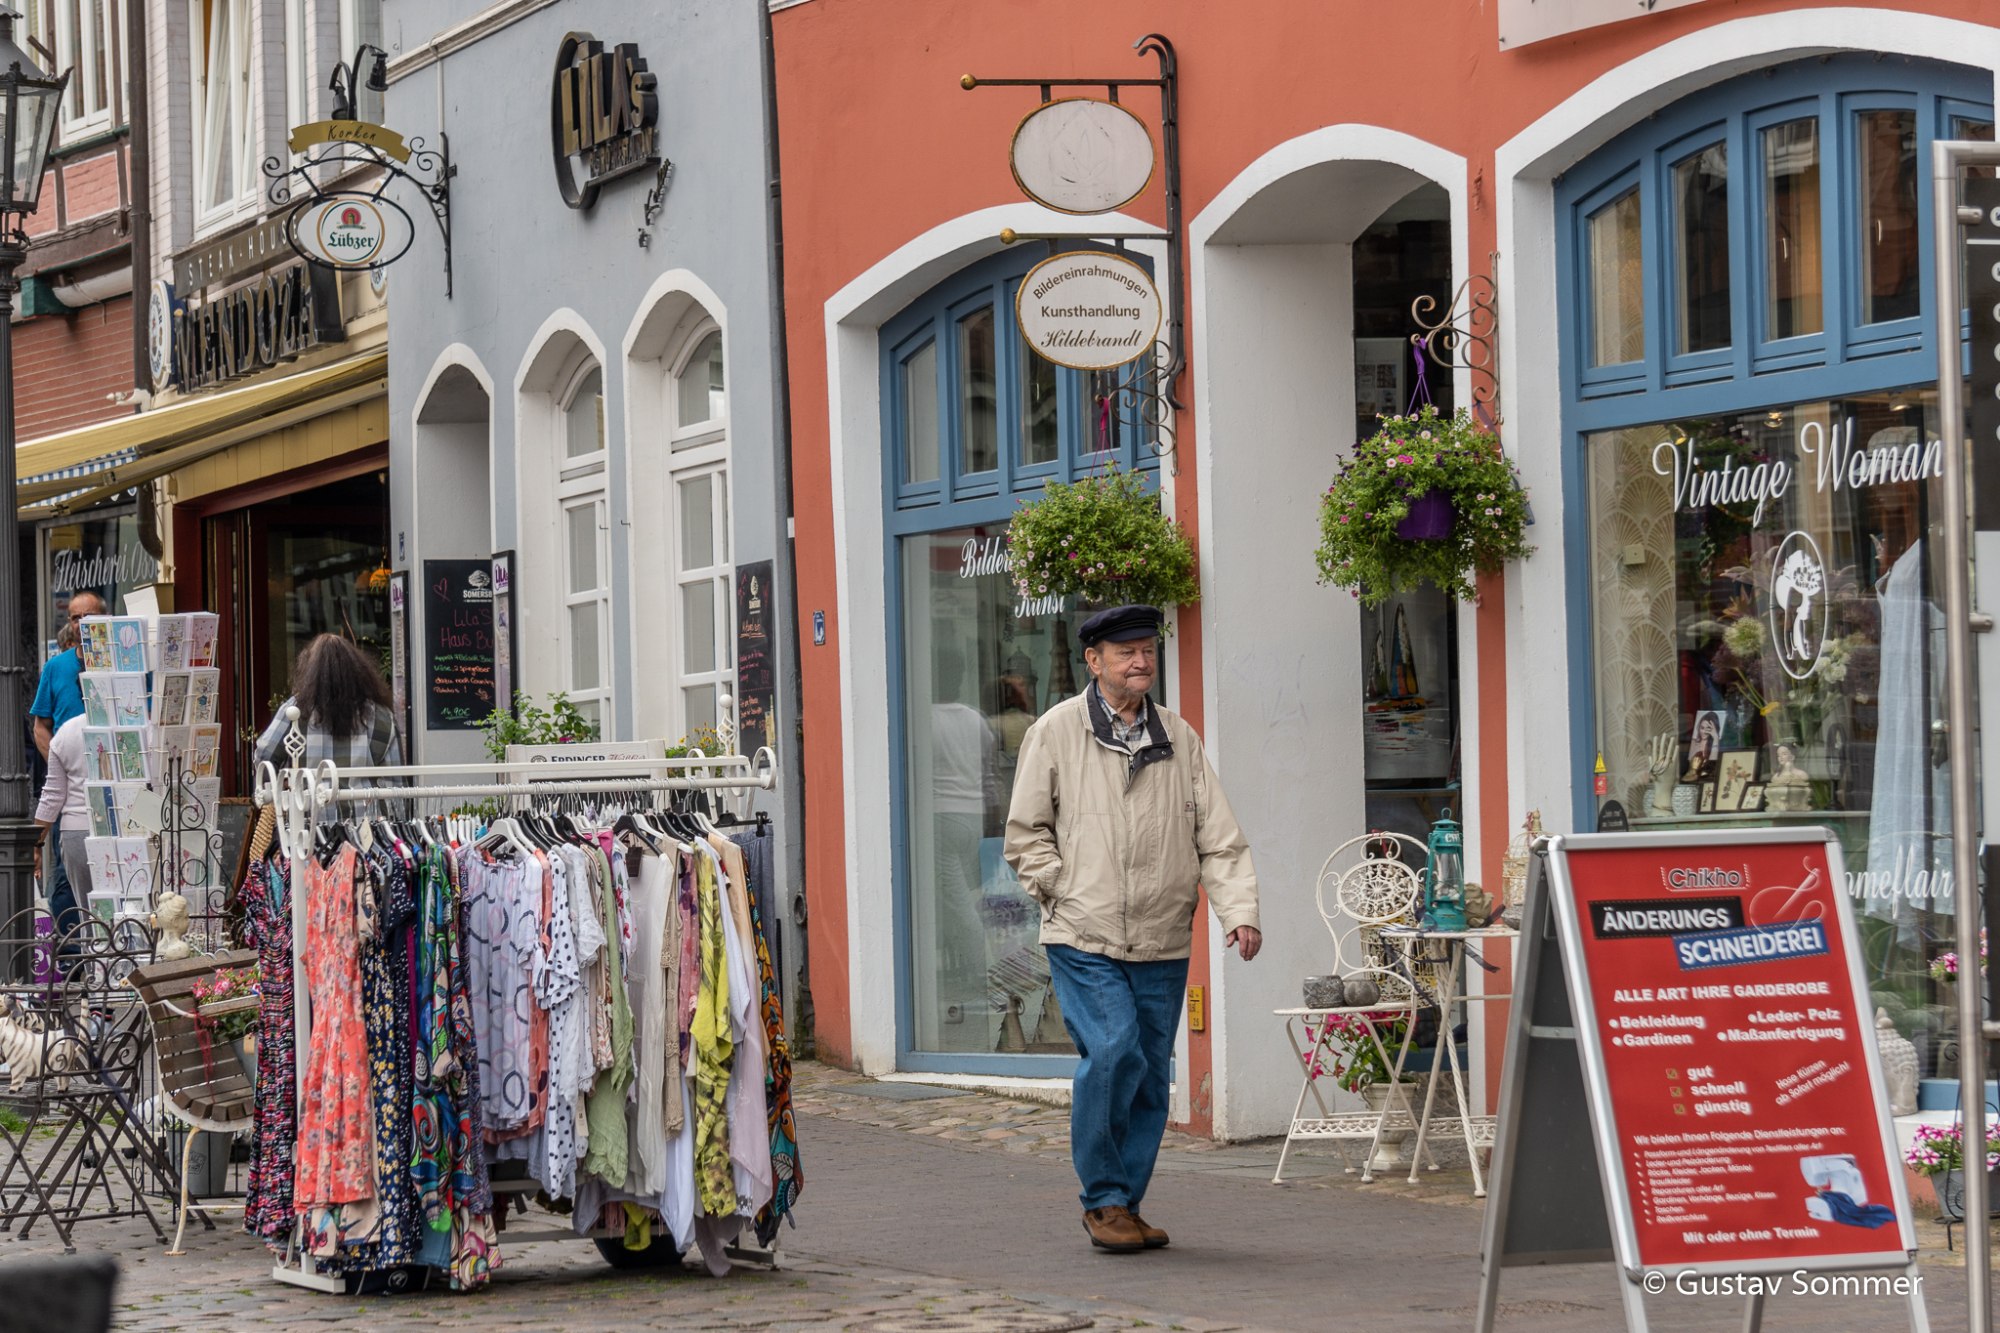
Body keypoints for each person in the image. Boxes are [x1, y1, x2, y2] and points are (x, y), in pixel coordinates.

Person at [1003, 604, 1260, 1255]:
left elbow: (1219, 838)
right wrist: (1061, 887)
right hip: (1083, 935)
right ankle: (1104, 1198)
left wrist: (1241, 911)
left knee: (1148, 1075)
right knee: (1114, 1049)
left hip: (1164, 936)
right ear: (1094, 661)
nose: (1141, 661)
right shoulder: (1056, 730)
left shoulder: (1178, 735)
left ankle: (1126, 1201)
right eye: (1126, 652)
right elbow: (1025, 832)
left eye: (1147, 649)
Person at [252, 633, 404, 771]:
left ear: (309, 673)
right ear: (360, 671)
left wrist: (285, 783)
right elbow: (395, 782)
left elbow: (264, 757)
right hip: (361, 801)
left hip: (309, 800)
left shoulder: (295, 711)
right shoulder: (381, 716)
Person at [34, 713, 91, 949]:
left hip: (77, 831)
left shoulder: (67, 732)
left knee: (86, 914)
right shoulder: (144, 724)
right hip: (131, 830)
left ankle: (95, 976)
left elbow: (52, 795)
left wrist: (37, 844)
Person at [31, 590, 102, 757]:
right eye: (76, 618)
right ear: (70, 622)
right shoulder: (54, 667)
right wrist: (59, 768)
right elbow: (41, 727)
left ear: (106, 616)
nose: (82, 622)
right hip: (71, 776)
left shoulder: (123, 665)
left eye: (89, 616)